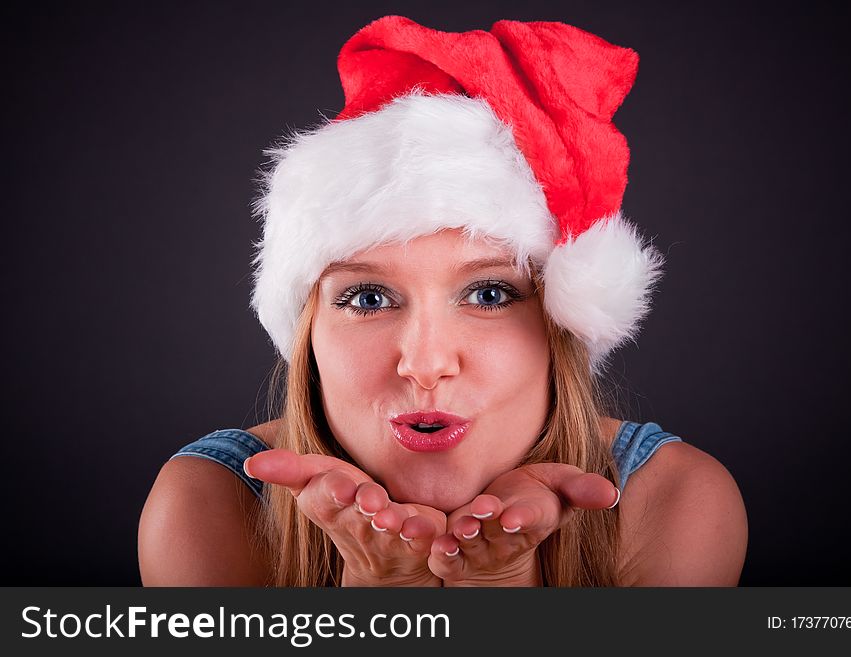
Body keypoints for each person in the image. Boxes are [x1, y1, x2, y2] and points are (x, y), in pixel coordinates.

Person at [138, 16, 747, 587]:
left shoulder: (673, 499)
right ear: (308, 327)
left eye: (488, 293)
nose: (425, 365)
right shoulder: (207, 503)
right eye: (368, 297)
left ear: (558, 323)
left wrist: (497, 586)